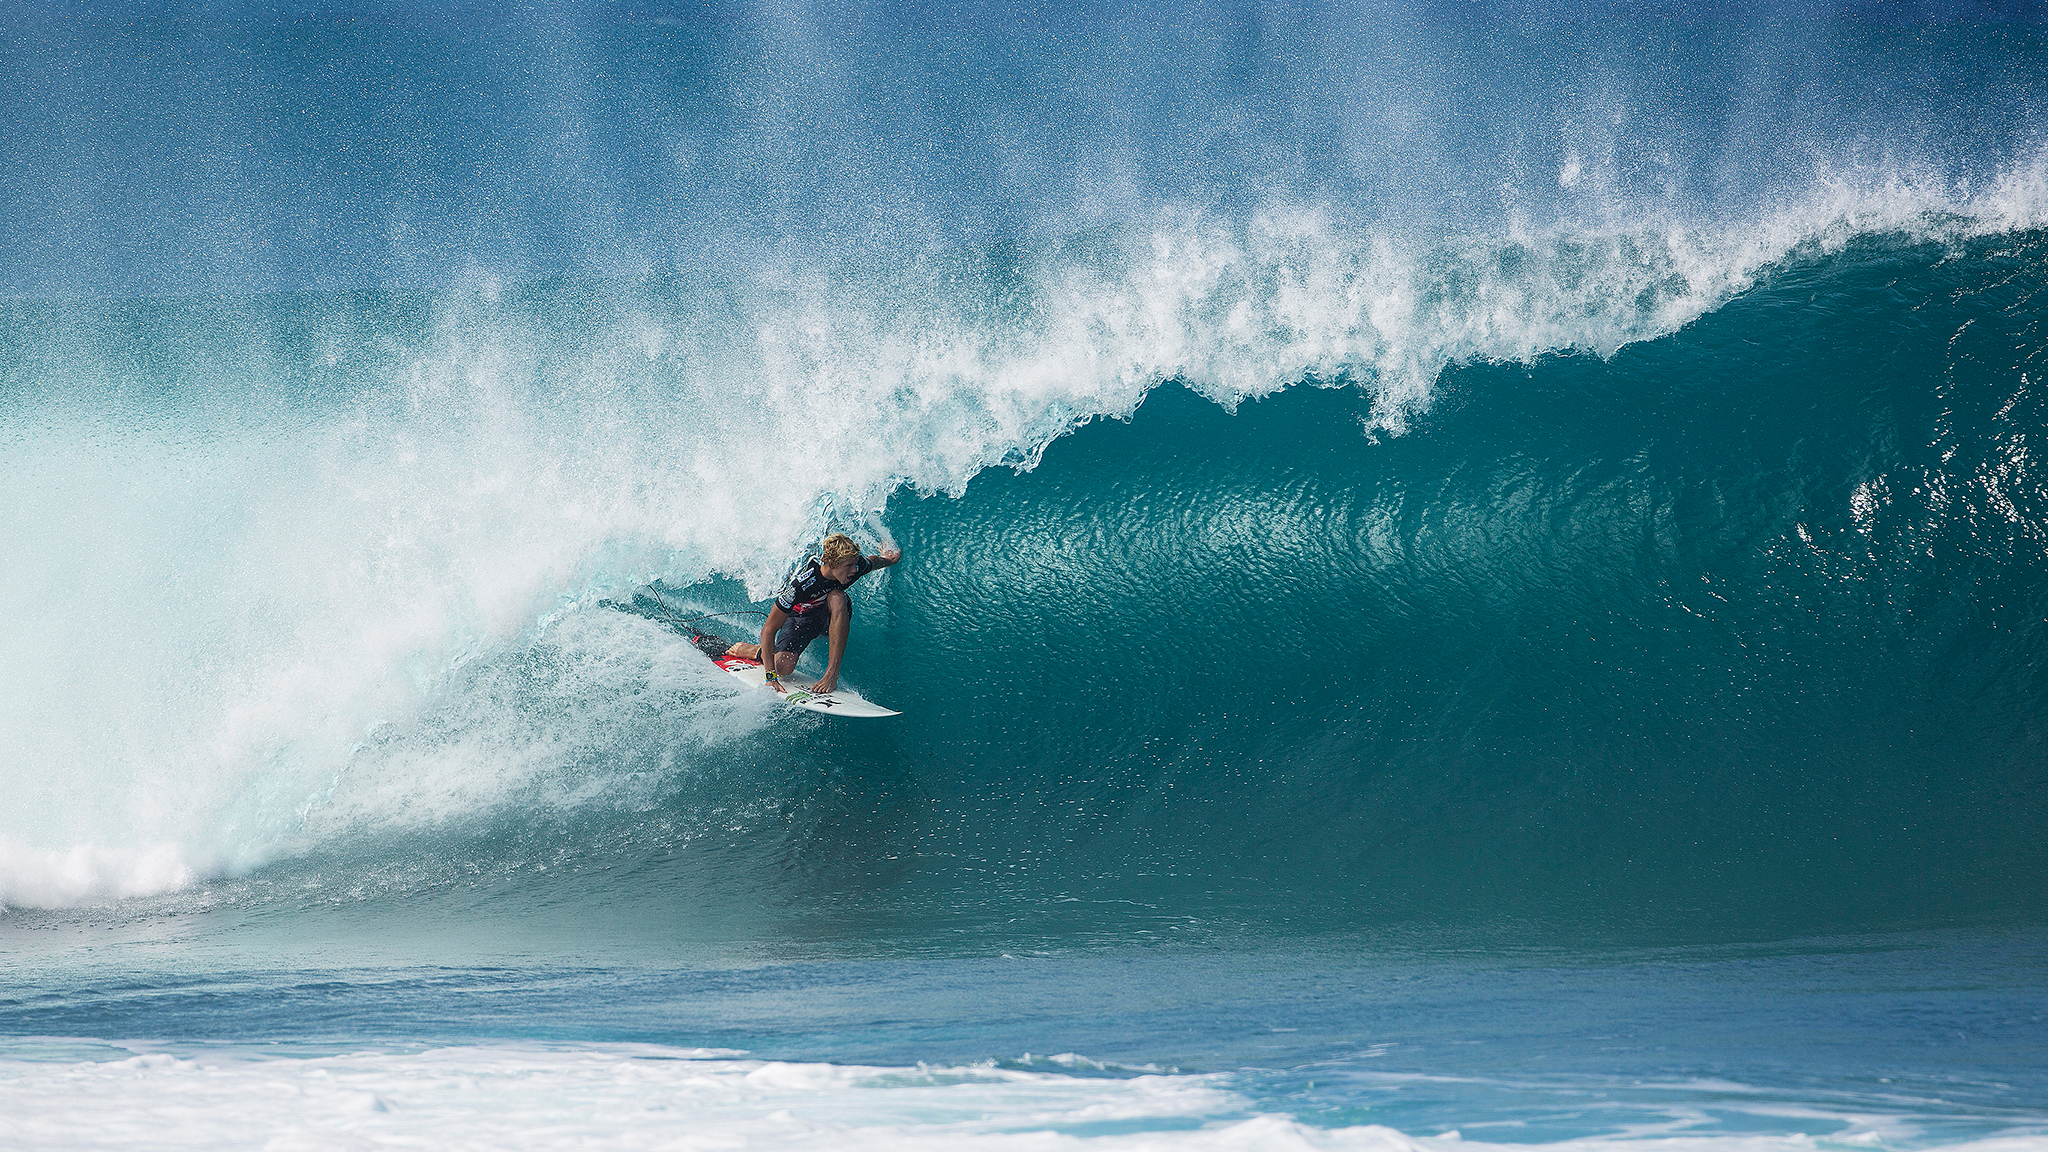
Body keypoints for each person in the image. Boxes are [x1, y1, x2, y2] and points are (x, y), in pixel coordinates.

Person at [728, 533, 901, 696]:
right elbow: (769, 629)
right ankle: (755, 650)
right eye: (848, 566)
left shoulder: (854, 567)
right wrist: (770, 677)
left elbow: (872, 562)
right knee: (782, 667)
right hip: (801, 619)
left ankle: (831, 675)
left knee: (837, 597)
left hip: (829, 616)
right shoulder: (801, 585)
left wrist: (889, 559)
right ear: (832, 564)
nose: (854, 570)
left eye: (855, 564)